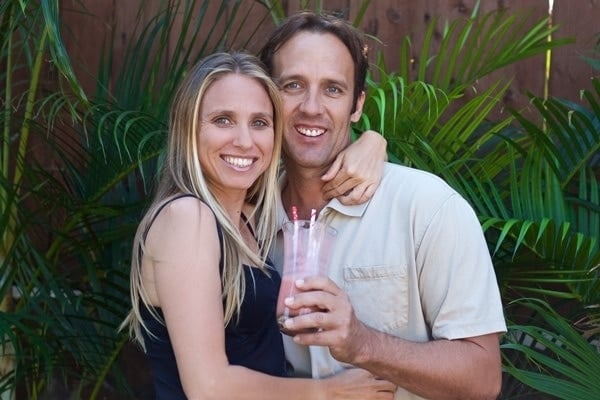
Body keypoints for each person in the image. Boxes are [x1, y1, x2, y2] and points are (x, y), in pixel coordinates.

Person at [259, 12, 507, 400]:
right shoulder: (245, 221)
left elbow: (483, 377)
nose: (311, 107)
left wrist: (362, 343)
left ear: (357, 104)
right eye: (293, 85)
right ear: (267, 96)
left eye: (333, 90)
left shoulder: (427, 208)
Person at [121, 51, 395, 399]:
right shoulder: (187, 217)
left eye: (260, 123)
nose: (245, 141)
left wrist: (373, 142)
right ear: (189, 127)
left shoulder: (249, 217)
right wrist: (327, 393)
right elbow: (208, 387)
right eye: (223, 120)